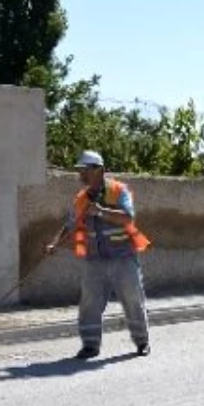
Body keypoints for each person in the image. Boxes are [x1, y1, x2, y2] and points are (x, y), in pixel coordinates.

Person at [44, 150, 153, 359]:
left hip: (123, 258)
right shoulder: (81, 199)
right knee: (89, 303)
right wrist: (55, 244)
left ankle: (142, 341)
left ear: (99, 170)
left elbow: (127, 218)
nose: (81, 175)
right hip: (94, 260)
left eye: (85, 170)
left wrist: (101, 211)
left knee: (132, 299)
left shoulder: (119, 191)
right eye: (80, 171)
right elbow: (70, 225)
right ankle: (90, 345)